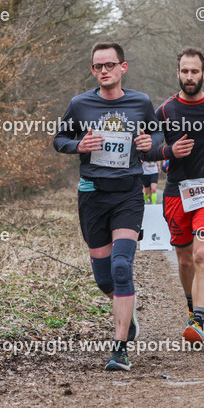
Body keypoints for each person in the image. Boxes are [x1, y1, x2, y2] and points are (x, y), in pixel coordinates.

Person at [53, 42, 162, 372]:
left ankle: (119, 349)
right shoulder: (80, 104)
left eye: (110, 65)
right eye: (98, 66)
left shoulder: (140, 102)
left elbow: (157, 141)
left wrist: (150, 144)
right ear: (92, 71)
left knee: (120, 267)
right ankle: (126, 318)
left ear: (122, 68)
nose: (104, 71)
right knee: (104, 279)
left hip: (128, 194)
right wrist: (78, 145)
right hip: (93, 196)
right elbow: (59, 139)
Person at [143, 48, 204, 343]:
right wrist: (168, 151)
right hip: (176, 192)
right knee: (185, 261)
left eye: (194, 71)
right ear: (177, 73)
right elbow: (146, 149)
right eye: (184, 71)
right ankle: (191, 310)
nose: (189, 77)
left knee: (202, 254)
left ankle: (199, 323)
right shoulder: (165, 111)